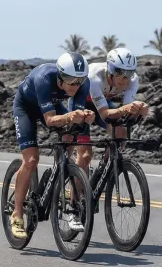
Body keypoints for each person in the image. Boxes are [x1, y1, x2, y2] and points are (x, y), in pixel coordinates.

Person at [9, 51, 96, 239]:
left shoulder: (83, 83)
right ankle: (17, 214)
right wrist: (68, 116)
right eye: (71, 80)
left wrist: (85, 116)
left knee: (70, 135)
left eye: (79, 81)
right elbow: (49, 120)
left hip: (52, 106)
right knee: (31, 159)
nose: (75, 86)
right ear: (60, 76)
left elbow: (76, 115)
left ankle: (61, 171)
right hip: (26, 108)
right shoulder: (44, 78)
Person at [73, 47, 150, 172]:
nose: (125, 78)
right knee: (85, 156)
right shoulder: (94, 77)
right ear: (111, 70)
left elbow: (126, 114)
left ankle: (104, 169)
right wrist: (127, 109)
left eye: (129, 73)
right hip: (81, 104)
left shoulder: (133, 80)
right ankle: (76, 189)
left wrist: (140, 110)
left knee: (121, 131)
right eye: (120, 72)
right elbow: (104, 114)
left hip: (101, 102)